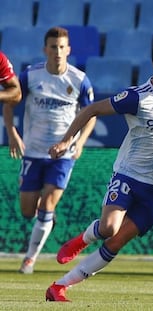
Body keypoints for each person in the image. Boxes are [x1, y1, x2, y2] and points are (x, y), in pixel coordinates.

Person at [45, 42, 153, 302]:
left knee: (116, 242)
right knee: (109, 228)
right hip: (129, 176)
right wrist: (66, 141)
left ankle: (59, 287)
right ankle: (82, 238)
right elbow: (91, 109)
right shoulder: (137, 97)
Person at [2, 27, 96, 274]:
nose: (57, 51)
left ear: (69, 50)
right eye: (53, 47)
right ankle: (46, 220)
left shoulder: (79, 79)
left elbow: (91, 115)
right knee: (27, 211)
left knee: (48, 203)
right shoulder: (31, 76)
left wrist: (80, 142)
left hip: (61, 154)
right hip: (33, 151)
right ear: (45, 49)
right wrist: (12, 133)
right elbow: (11, 102)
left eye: (62, 47)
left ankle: (29, 260)